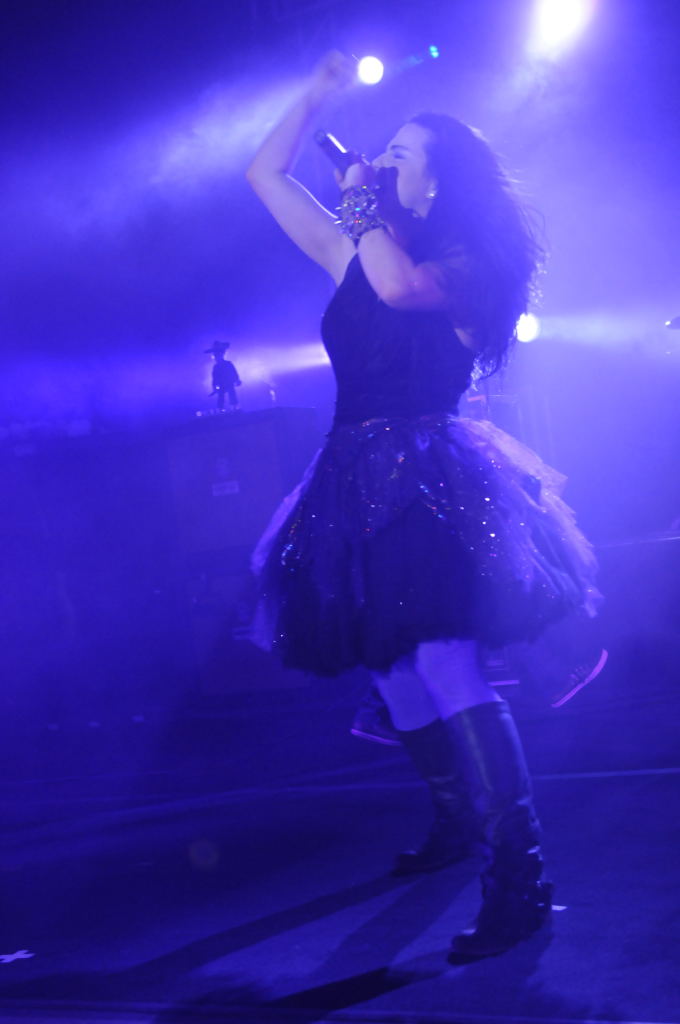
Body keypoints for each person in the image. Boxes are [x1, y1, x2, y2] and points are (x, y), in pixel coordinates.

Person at [245, 51, 600, 959]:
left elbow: (402, 290)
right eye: (382, 151)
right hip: (352, 479)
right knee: (397, 672)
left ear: (439, 180)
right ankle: (454, 821)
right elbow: (264, 177)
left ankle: (520, 877)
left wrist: (361, 202)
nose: (380, 161)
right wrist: (312, 97)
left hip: (434, 477)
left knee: (445, 665)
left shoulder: (469, 261)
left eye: (401, 153)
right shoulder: (357, 251)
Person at [206, 340, 241, 410]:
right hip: (222, 383)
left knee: (230, 393)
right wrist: (214, 387)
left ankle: (233, 407)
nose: (215, 357)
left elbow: (234, 372)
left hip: (228, 382)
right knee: (221, 395)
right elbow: (214, 378)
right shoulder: (216, 367)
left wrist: (237, 380)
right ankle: (221, 409)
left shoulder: (227, 364)